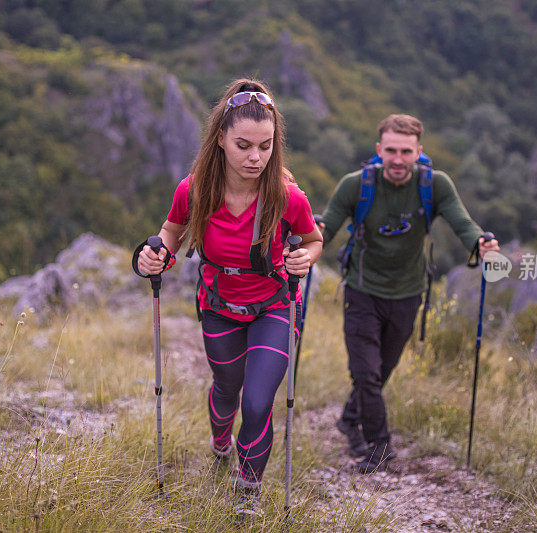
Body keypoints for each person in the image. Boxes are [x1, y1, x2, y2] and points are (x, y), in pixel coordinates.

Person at [137, 78, 322, 516]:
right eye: (243, 145)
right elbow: (171, 234)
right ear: (220, 139)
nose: (255, 157)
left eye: (265, 146)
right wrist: (155, 256)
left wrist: (305, 260)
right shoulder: (196, 189)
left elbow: (313, 240)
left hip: (275, 304)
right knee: (227, 389)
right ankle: (221, 442)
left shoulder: (286, 194)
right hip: (220, 304)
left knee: (257, 401)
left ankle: (249, 489)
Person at [317, 114, 499, 473]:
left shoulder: (435, 186)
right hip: (362, 290)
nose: (398, 159)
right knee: (366, 372)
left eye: (405, 151)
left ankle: (349, 419)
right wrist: (307, 236)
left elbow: (461, 220)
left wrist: (479, 242)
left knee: (381, 371)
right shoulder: (356, 186)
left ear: (418, 151)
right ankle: (380, 446)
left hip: (408, 293)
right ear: (378, 150)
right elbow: (327, 226)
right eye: (391, 151)